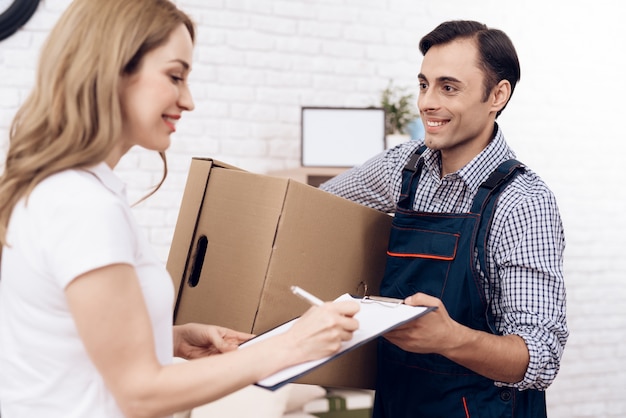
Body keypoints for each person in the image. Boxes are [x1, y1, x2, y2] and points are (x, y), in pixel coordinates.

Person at [0, 1, 360, 417]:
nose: (187, 101)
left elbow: (61, 333)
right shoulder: (82, 207)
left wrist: (170, 339)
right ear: (110, 69)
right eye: (175, 76)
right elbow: (140, 393)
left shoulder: (61, 191)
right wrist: (292, 345)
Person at [320, 20, 568, 417]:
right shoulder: (403, 167)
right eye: (423, 85)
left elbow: (539, 358)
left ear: (497, 95)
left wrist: (449, 337)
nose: (427, 103)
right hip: (397, 403)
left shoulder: (524, 202)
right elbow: (312, 210)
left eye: (448, 87)